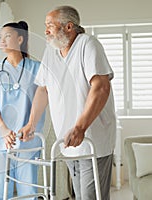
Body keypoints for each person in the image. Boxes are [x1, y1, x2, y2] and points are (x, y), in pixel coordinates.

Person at [19, 6, 116, 200]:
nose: (45, 31)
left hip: (92, 140)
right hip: (67, 140)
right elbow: (43, 89)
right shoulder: (51, 51)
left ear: (69, 27)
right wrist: (31, 123)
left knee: (90, 197)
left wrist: (80, 127)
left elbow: (101, 87)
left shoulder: (88, 44)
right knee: (79, 195)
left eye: (50, 26)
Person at [0, 21, 45, 199]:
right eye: (0, 37)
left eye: (7, 36)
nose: (2, 40)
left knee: (28, 193)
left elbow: (44, 98)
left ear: (20, 39)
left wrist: (30, 125)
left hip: (27, 141)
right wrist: (3, 129)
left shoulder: (37, 69)